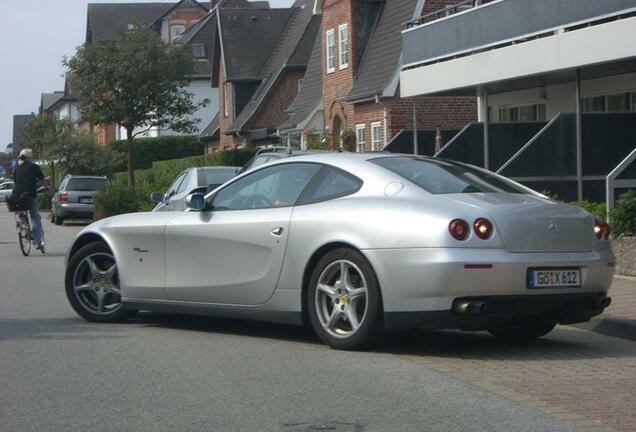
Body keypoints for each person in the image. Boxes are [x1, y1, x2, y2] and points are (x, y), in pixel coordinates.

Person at [11, 148, 45, 251]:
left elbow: (16, 181)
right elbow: (42, 179)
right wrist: (45, 186)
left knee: (20, 210)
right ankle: (38, 241)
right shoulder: (34, 167)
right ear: (30, 157)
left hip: (16, 196)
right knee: (35, 217)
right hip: (29, 195)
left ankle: (21, 223)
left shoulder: (16, 168)